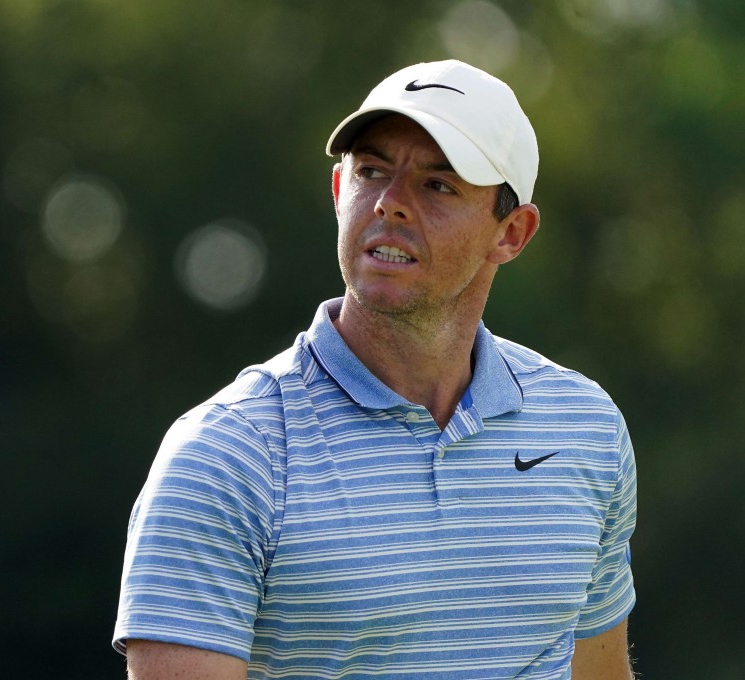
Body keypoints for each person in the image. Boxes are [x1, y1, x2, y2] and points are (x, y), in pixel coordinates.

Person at [113, 59, 638, 679]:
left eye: (438, 185)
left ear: (512, 234)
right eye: (371, 172)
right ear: (339, 193)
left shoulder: (585, 429)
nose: (391, 204)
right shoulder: (229, 453)